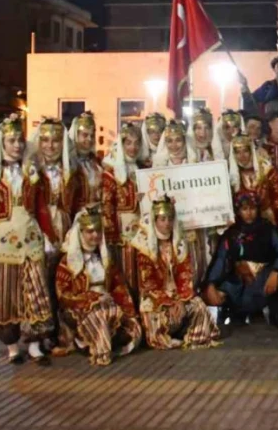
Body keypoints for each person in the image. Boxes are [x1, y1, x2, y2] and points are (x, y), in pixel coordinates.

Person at [0, 114, 54, 365]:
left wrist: (48, 236)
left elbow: (41, 208)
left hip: (31, 239)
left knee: (36, 292)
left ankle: (35, 343)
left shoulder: (31, 174)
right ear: (2, 144)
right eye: (11, 140)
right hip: (1, 244)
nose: (17, 145)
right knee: (5, 294)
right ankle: (12, 345)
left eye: (19, 140)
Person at [53, 205, 141, 366]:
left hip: (107, 304)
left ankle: (106, 341)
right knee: (99, 316)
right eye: (90, 232)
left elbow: (118, 286)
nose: (95, 235)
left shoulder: (105, 259)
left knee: (132, 326)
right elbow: (63, 294)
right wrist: (93, 299)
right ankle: (100, 351)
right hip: (79, 309)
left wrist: (128, 310)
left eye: (98, 231)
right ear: (80, 234)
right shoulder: (68, 262)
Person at [133, 196, 220, 350]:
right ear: (155, 221)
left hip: (177, 296)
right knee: (155, 316)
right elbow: (149, 284)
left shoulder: (178, 243)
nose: (167, 223)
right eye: (162, 219)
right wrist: (169, 301)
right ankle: (165, 337)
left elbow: (185, 275)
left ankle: (194, 336)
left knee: (198, 305)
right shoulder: (145, 248)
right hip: (156, 298)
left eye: (170, 219)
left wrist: (180, 299)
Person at [205, 192, 278, 328]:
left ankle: (274, 310)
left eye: (252, 208)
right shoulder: (232, 233)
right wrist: (211, 283)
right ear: (238, 211)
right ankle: (236, 313)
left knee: (277, 283)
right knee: (219, 294)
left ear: (258, 209)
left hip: (264, 275)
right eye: (244, 209)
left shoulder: (267, 229)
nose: (249, 213)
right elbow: (221, 258)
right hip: (241, 279)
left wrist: (276, 271)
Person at [102, 123, 143, 296]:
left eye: (136, 143)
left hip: (140, 230)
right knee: (124, 274)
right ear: (121, 144)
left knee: (140, 273)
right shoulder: (112, 170)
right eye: (128, 143)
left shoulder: (140, 169)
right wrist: (111, 235)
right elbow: (107, 204)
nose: (132, 148)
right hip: (121, 232)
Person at [229, 135, 278, 239]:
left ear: (251, 151)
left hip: (267, 222)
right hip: (242, 226)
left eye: (245, 151)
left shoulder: (266, 170)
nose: (242, 156)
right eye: (237, 152)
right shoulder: (231, 175)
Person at [29, 118, 71, 250]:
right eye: (45, 140)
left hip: (66, 231)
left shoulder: (71, 171)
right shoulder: (30, 171)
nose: (50, 146)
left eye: (56, 141)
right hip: (37, 229)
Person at [66, 111, 103, 216]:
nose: (89, 139)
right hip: (76, 218)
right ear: (76, 135)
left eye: (92, 135)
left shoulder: (98, 163)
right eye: (85, 135)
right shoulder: (70, 163)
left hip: (98, 216)